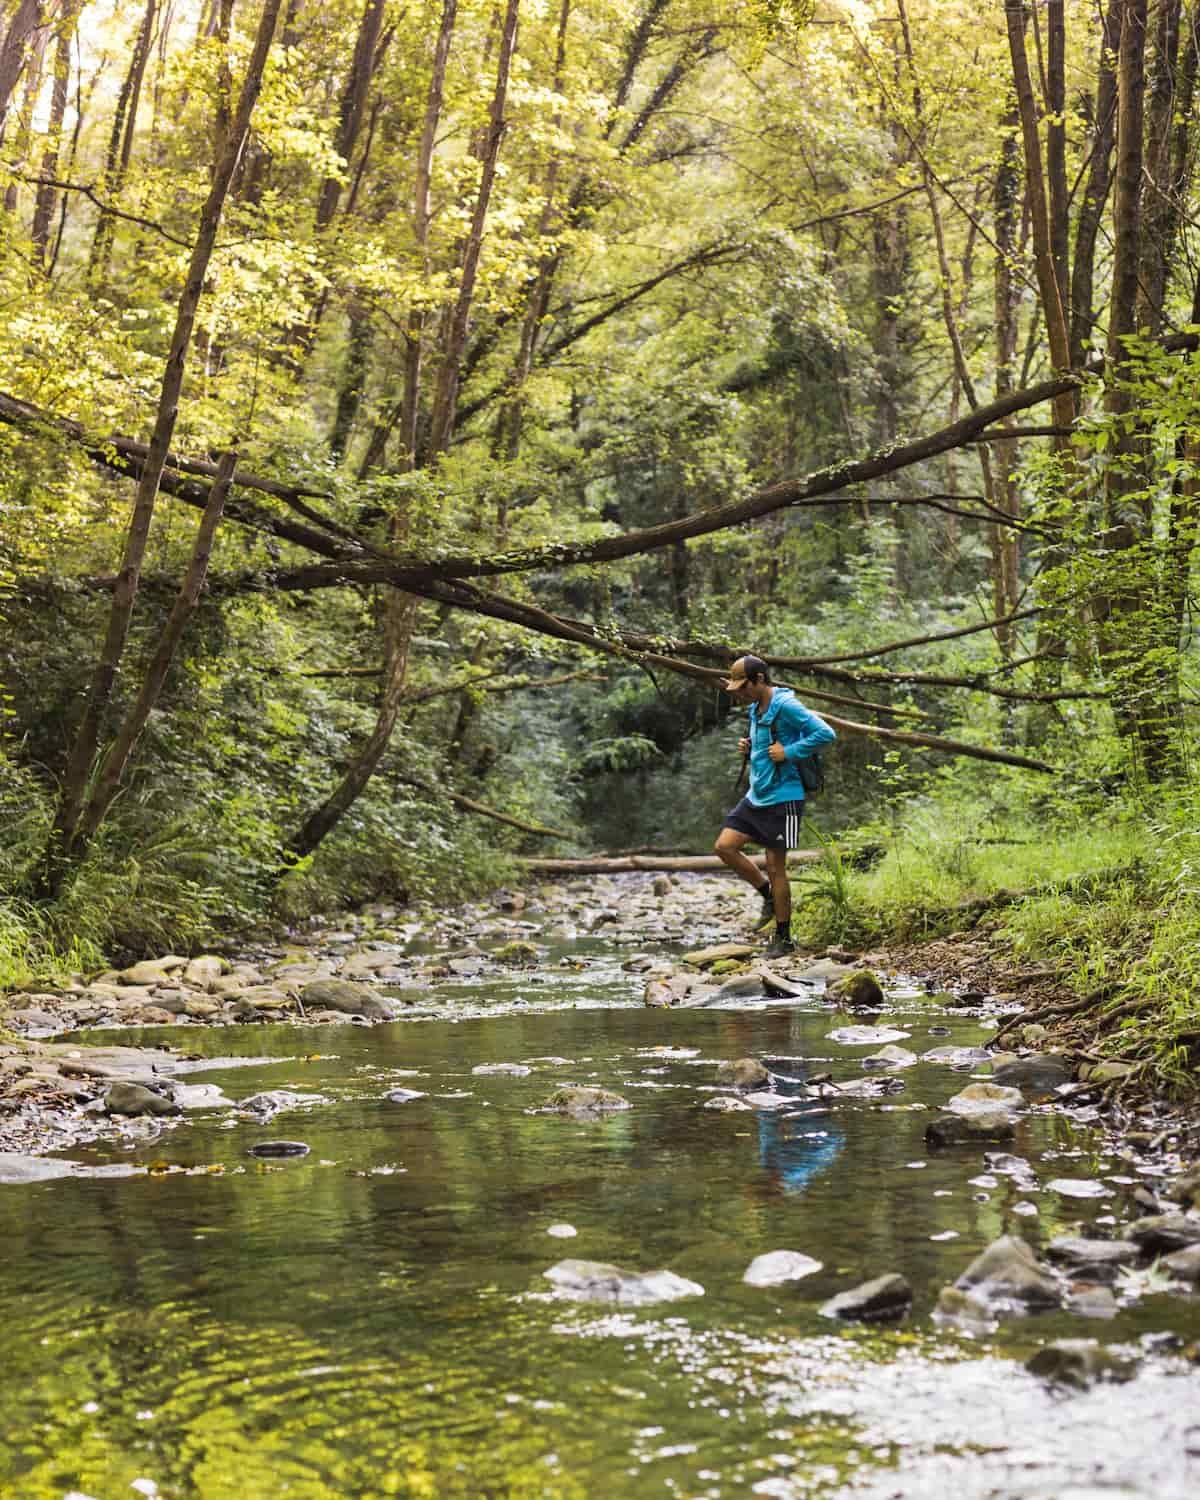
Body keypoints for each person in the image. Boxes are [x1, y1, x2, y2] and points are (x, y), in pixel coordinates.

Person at [714, 654, 836, 958]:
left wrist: (790, 751)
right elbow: (766, 746)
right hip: (758, 795)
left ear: (760, 680)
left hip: (785, 798)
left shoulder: (787, 706)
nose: (740, 693)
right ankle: (767, 894)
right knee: (725, 846)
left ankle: (783, 938)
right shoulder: (756, 709)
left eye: (744, 686)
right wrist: (751, 747)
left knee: (775, 865)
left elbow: (826, 734)